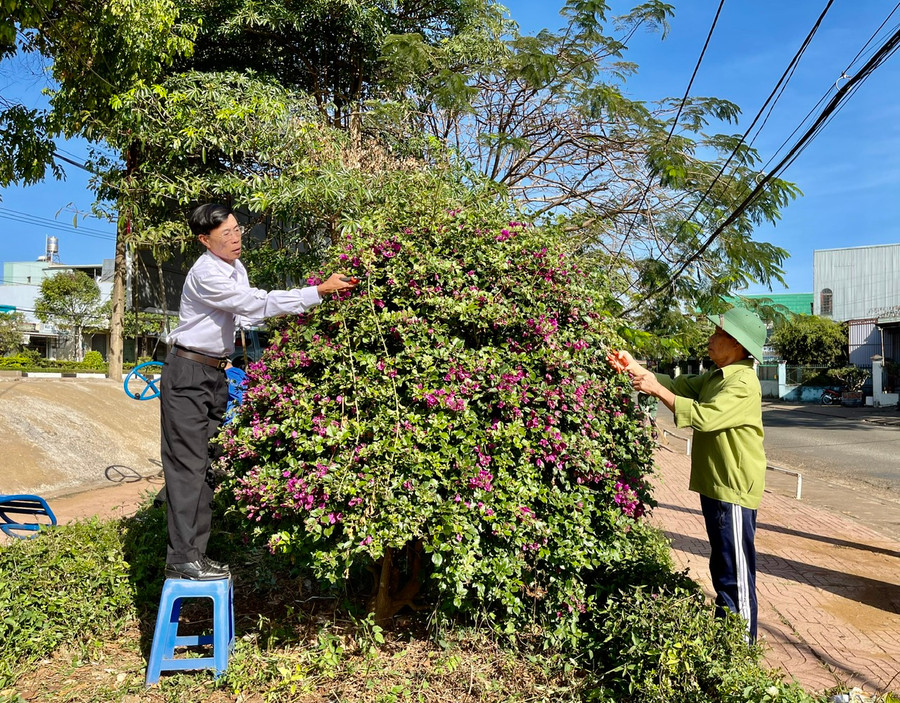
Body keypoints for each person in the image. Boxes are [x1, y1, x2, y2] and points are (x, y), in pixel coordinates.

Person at [160, 203, 357, 580]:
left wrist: (304, 313)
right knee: (187, 467)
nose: (235, 239)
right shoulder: (206, 273)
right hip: (188, 373)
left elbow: (248, 317)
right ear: (205, 240)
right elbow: (254, 303)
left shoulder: (235, 268)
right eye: (225, 235)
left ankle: (195, 554)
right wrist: (314, 292)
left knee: (204, 466)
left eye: (237, 230)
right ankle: (182, 558)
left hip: (214, 372)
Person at [607, 307, 767, 642]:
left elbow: (705, 418)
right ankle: (728, 643)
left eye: (717, 335)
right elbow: (676, 384)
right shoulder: (716, 376)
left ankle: (744, 650)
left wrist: (656, 391)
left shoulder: (742, 382)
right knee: (722, 568)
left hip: (733, 488)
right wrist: (633, 367)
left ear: (737, 345)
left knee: (735, 573)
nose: (709, 340)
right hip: (716, 483)